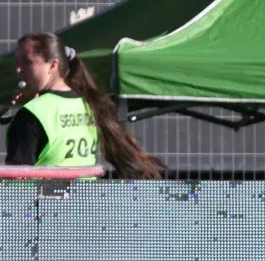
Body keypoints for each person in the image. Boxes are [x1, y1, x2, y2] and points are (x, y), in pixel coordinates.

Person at [7, 31, 165, 179]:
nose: (18, 70)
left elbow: (17, 183)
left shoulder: (31, 114)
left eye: (27, 62)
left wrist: (30, 109)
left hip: (44, 205)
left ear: (53, 65)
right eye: (17, 62)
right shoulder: (90, 104)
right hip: (84, 202)